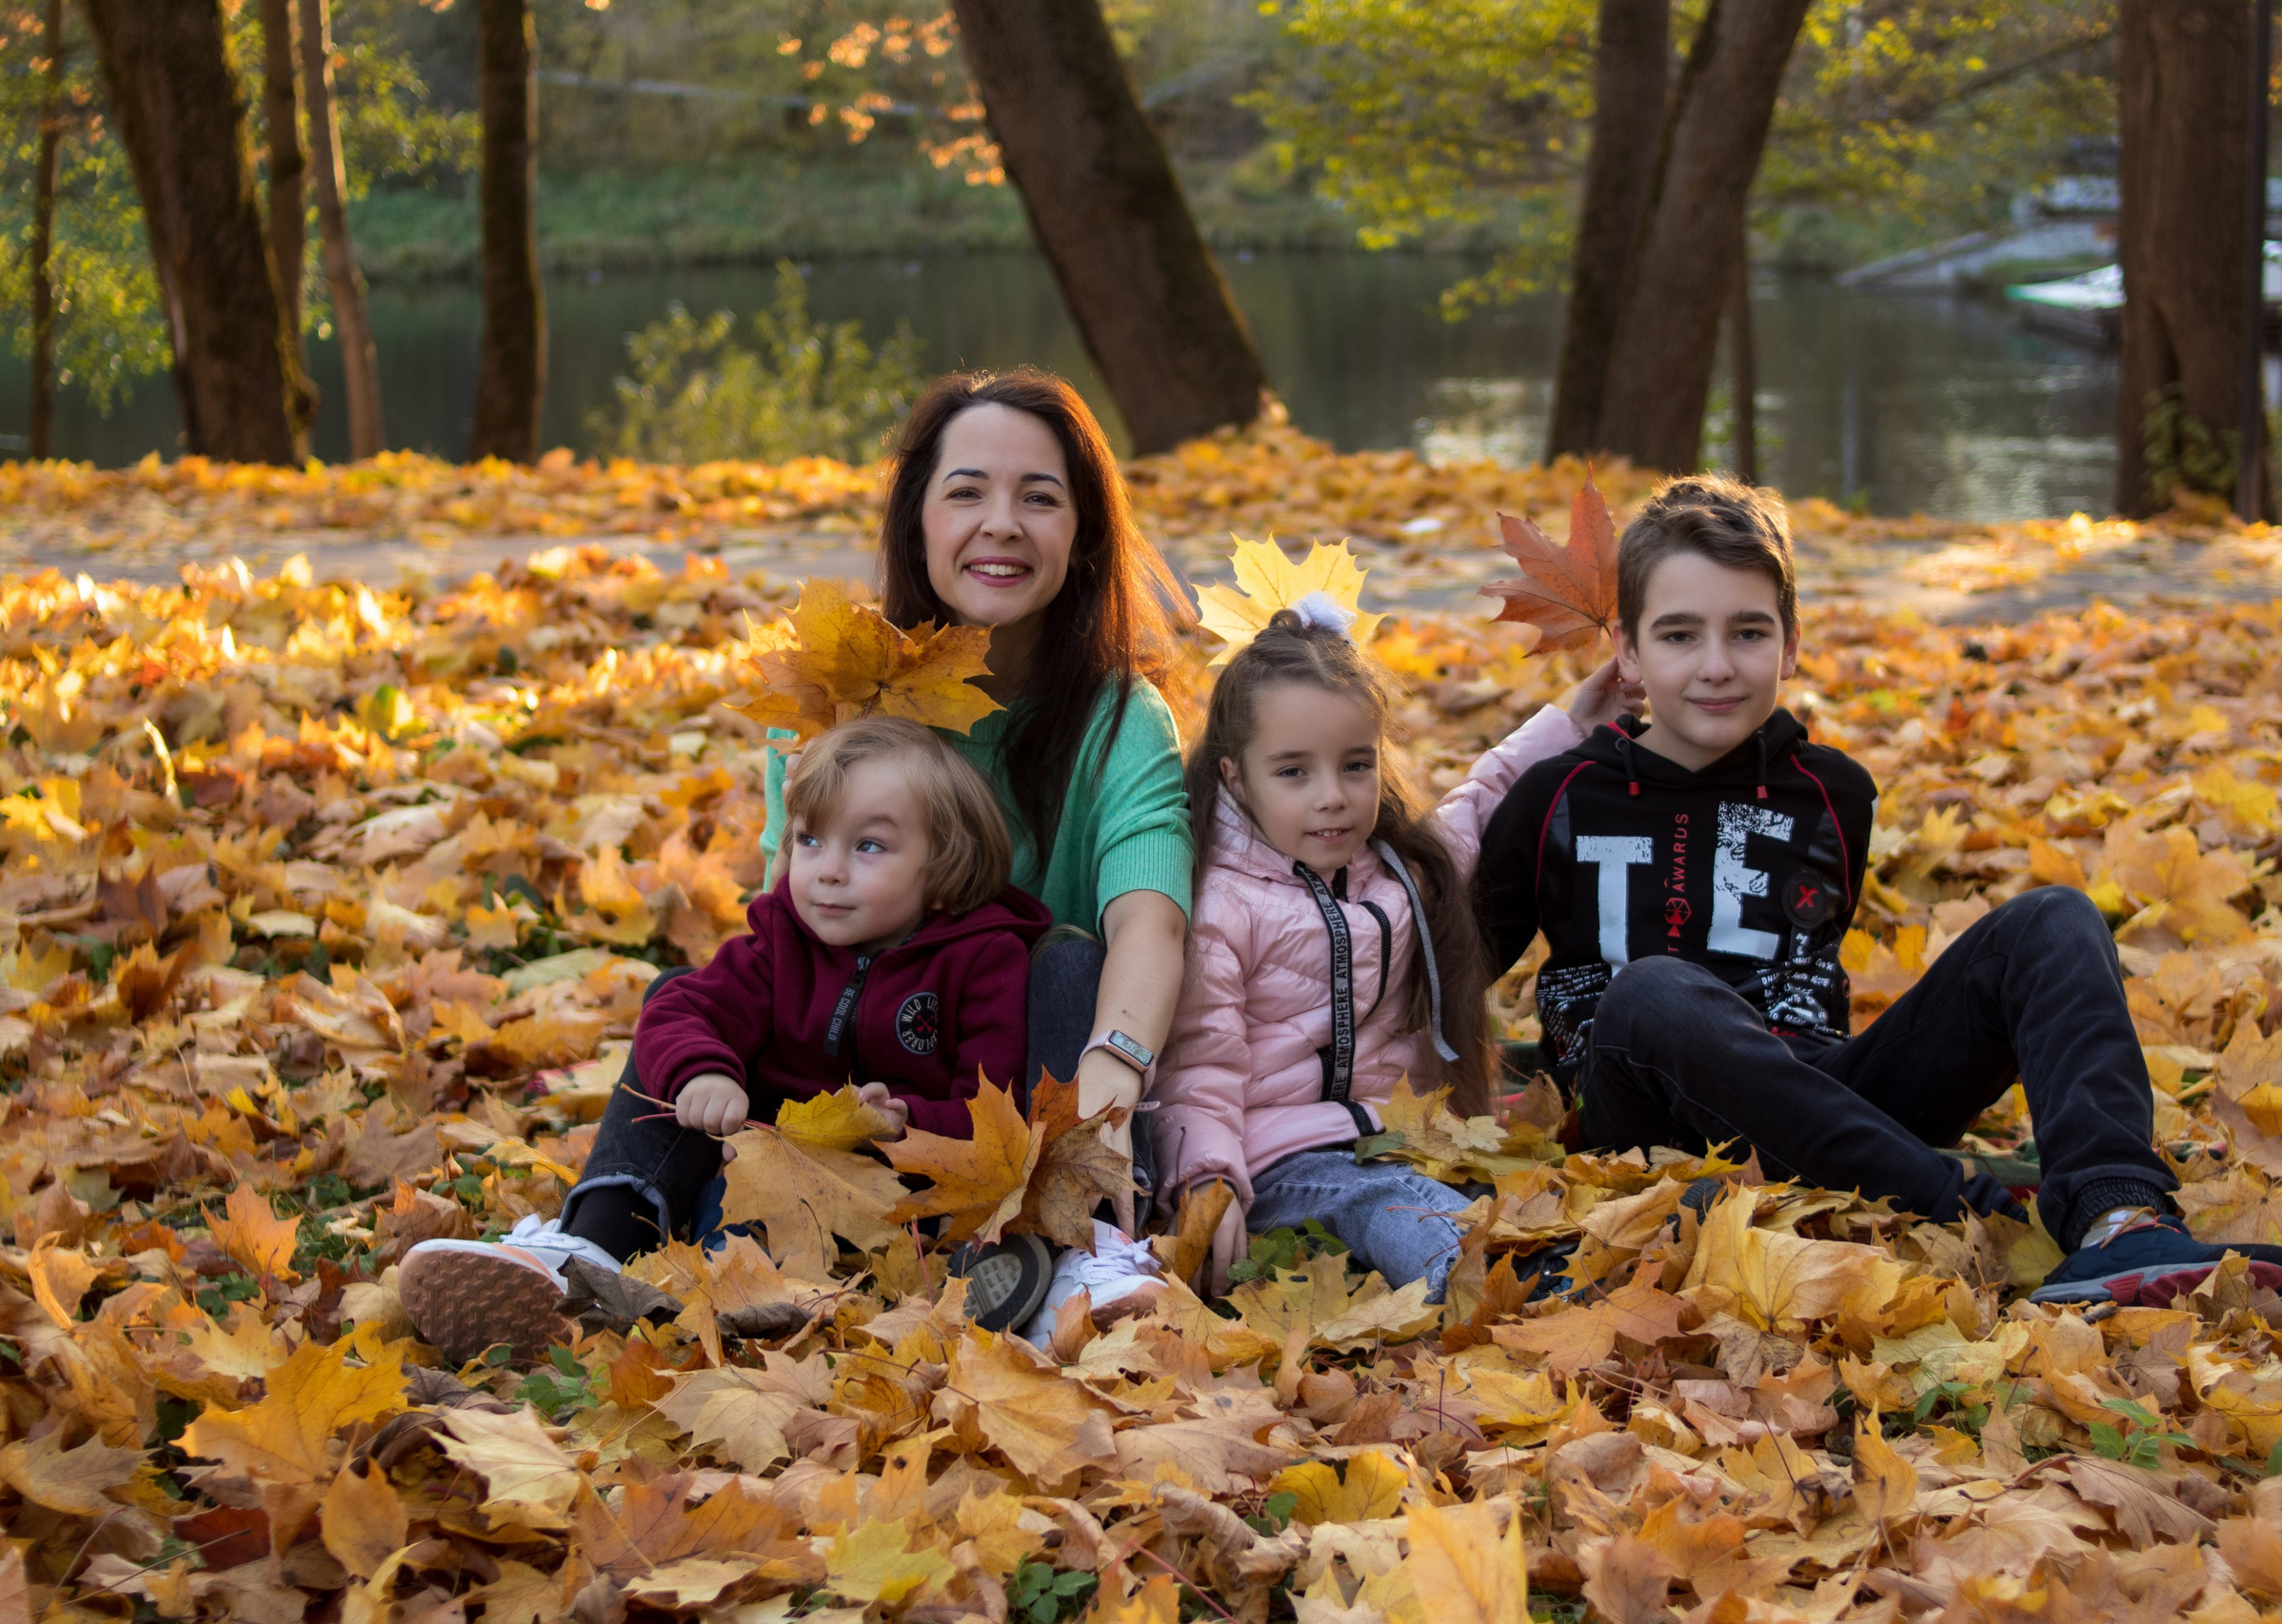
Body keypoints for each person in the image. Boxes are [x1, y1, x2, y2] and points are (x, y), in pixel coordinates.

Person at [402, 369, 1194, 1350]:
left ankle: (1074, 1256)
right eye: (966, 490)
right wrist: (765, 1102)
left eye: (1039, 496)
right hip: (825, 1078)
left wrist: (1109, 1093)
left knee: (1069, 956)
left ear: (1081, 538)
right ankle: (593, 1242)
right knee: (689, 1003)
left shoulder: (1119, 721)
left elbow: (1149, 923)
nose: (1002, 522)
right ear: (917, 520)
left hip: (1005, 1087)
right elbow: (790, 930)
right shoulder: (836, 701)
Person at [1470, 474, 2282, 1308]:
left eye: (1749, 632)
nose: (1717, 666)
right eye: (1680, 635)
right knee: (1652, 991)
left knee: (2052, 919)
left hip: (1835, 1102)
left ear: (1791, 644)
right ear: (1627, 651)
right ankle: (1975, 1214)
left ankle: (2120, 1219)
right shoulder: (1557, 796)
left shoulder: (1833, 793)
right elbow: (1439, 965)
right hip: (1647, 1126)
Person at [402, 718, 1064, 1360]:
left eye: (868, 847)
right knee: (672, 1005)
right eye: (809, 841)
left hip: (887, 1195)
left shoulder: (982, 960)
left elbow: (991, 1109)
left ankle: (785, 1295)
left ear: (945, 865)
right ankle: (596, 1240)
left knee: (749, 1251)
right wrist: (704, 1074)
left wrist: (908, 1124)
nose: (828, 871)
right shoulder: (785, 938)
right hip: (755, 1158)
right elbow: (689, 1011)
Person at [1150, 599, 1629, 1299]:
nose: (1333, 798)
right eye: (1293, 772)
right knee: (1378, 1200)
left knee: (1458, 1180)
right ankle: (1488, 1283)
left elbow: (1482, 801)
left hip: (1395, 1137)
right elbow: (1199, 1066)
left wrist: (1574, 721)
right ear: (1234, 777)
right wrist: (1208, 1177)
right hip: (1277, 1159)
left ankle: (1585, 1249)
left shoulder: (1398, 870)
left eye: (1355, 766)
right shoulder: (1223, 906)